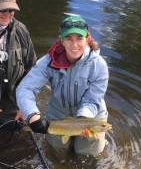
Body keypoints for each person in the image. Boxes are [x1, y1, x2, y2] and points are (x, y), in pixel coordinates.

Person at [16, 15, 109, 156]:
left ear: (87, 39)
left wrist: (82, 121)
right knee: (56, 153)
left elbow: (92, 100)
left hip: (92, 117)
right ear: (62, 41)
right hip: (58, 116)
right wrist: (32, 116)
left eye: (79, 38)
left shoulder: (99, 65)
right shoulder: (48, 62)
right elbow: (25, 88)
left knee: (87, 155)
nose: (74, 45)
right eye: (69, 39)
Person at [0, 0, 36, 125]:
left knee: (14, 131)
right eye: (2, 9)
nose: (8, 14)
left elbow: (32, 69)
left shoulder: (21, 30)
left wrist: (24, 105)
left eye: (11, 9)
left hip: (13, 100)